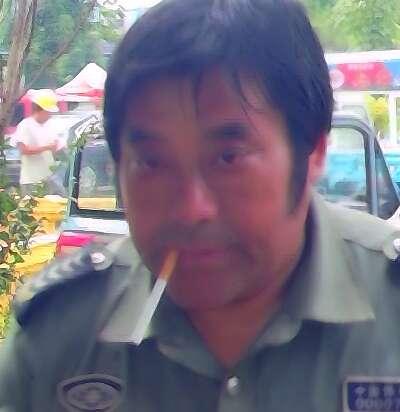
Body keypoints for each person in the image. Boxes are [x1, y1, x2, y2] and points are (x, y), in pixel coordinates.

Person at [1, 1, 400, 411]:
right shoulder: (61, 338)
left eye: (228, 158)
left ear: (313, 152)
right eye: (152, 163)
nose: (191, 210)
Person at [13, 89, 61, 196]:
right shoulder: (25, 125)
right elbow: (24, 150)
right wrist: (47, 147)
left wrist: (55, 149)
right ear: (40, 110)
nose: (50, 115)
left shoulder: (50, 126)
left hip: (47, 178)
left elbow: (55, 148)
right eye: (48, 112)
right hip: (31, 180)